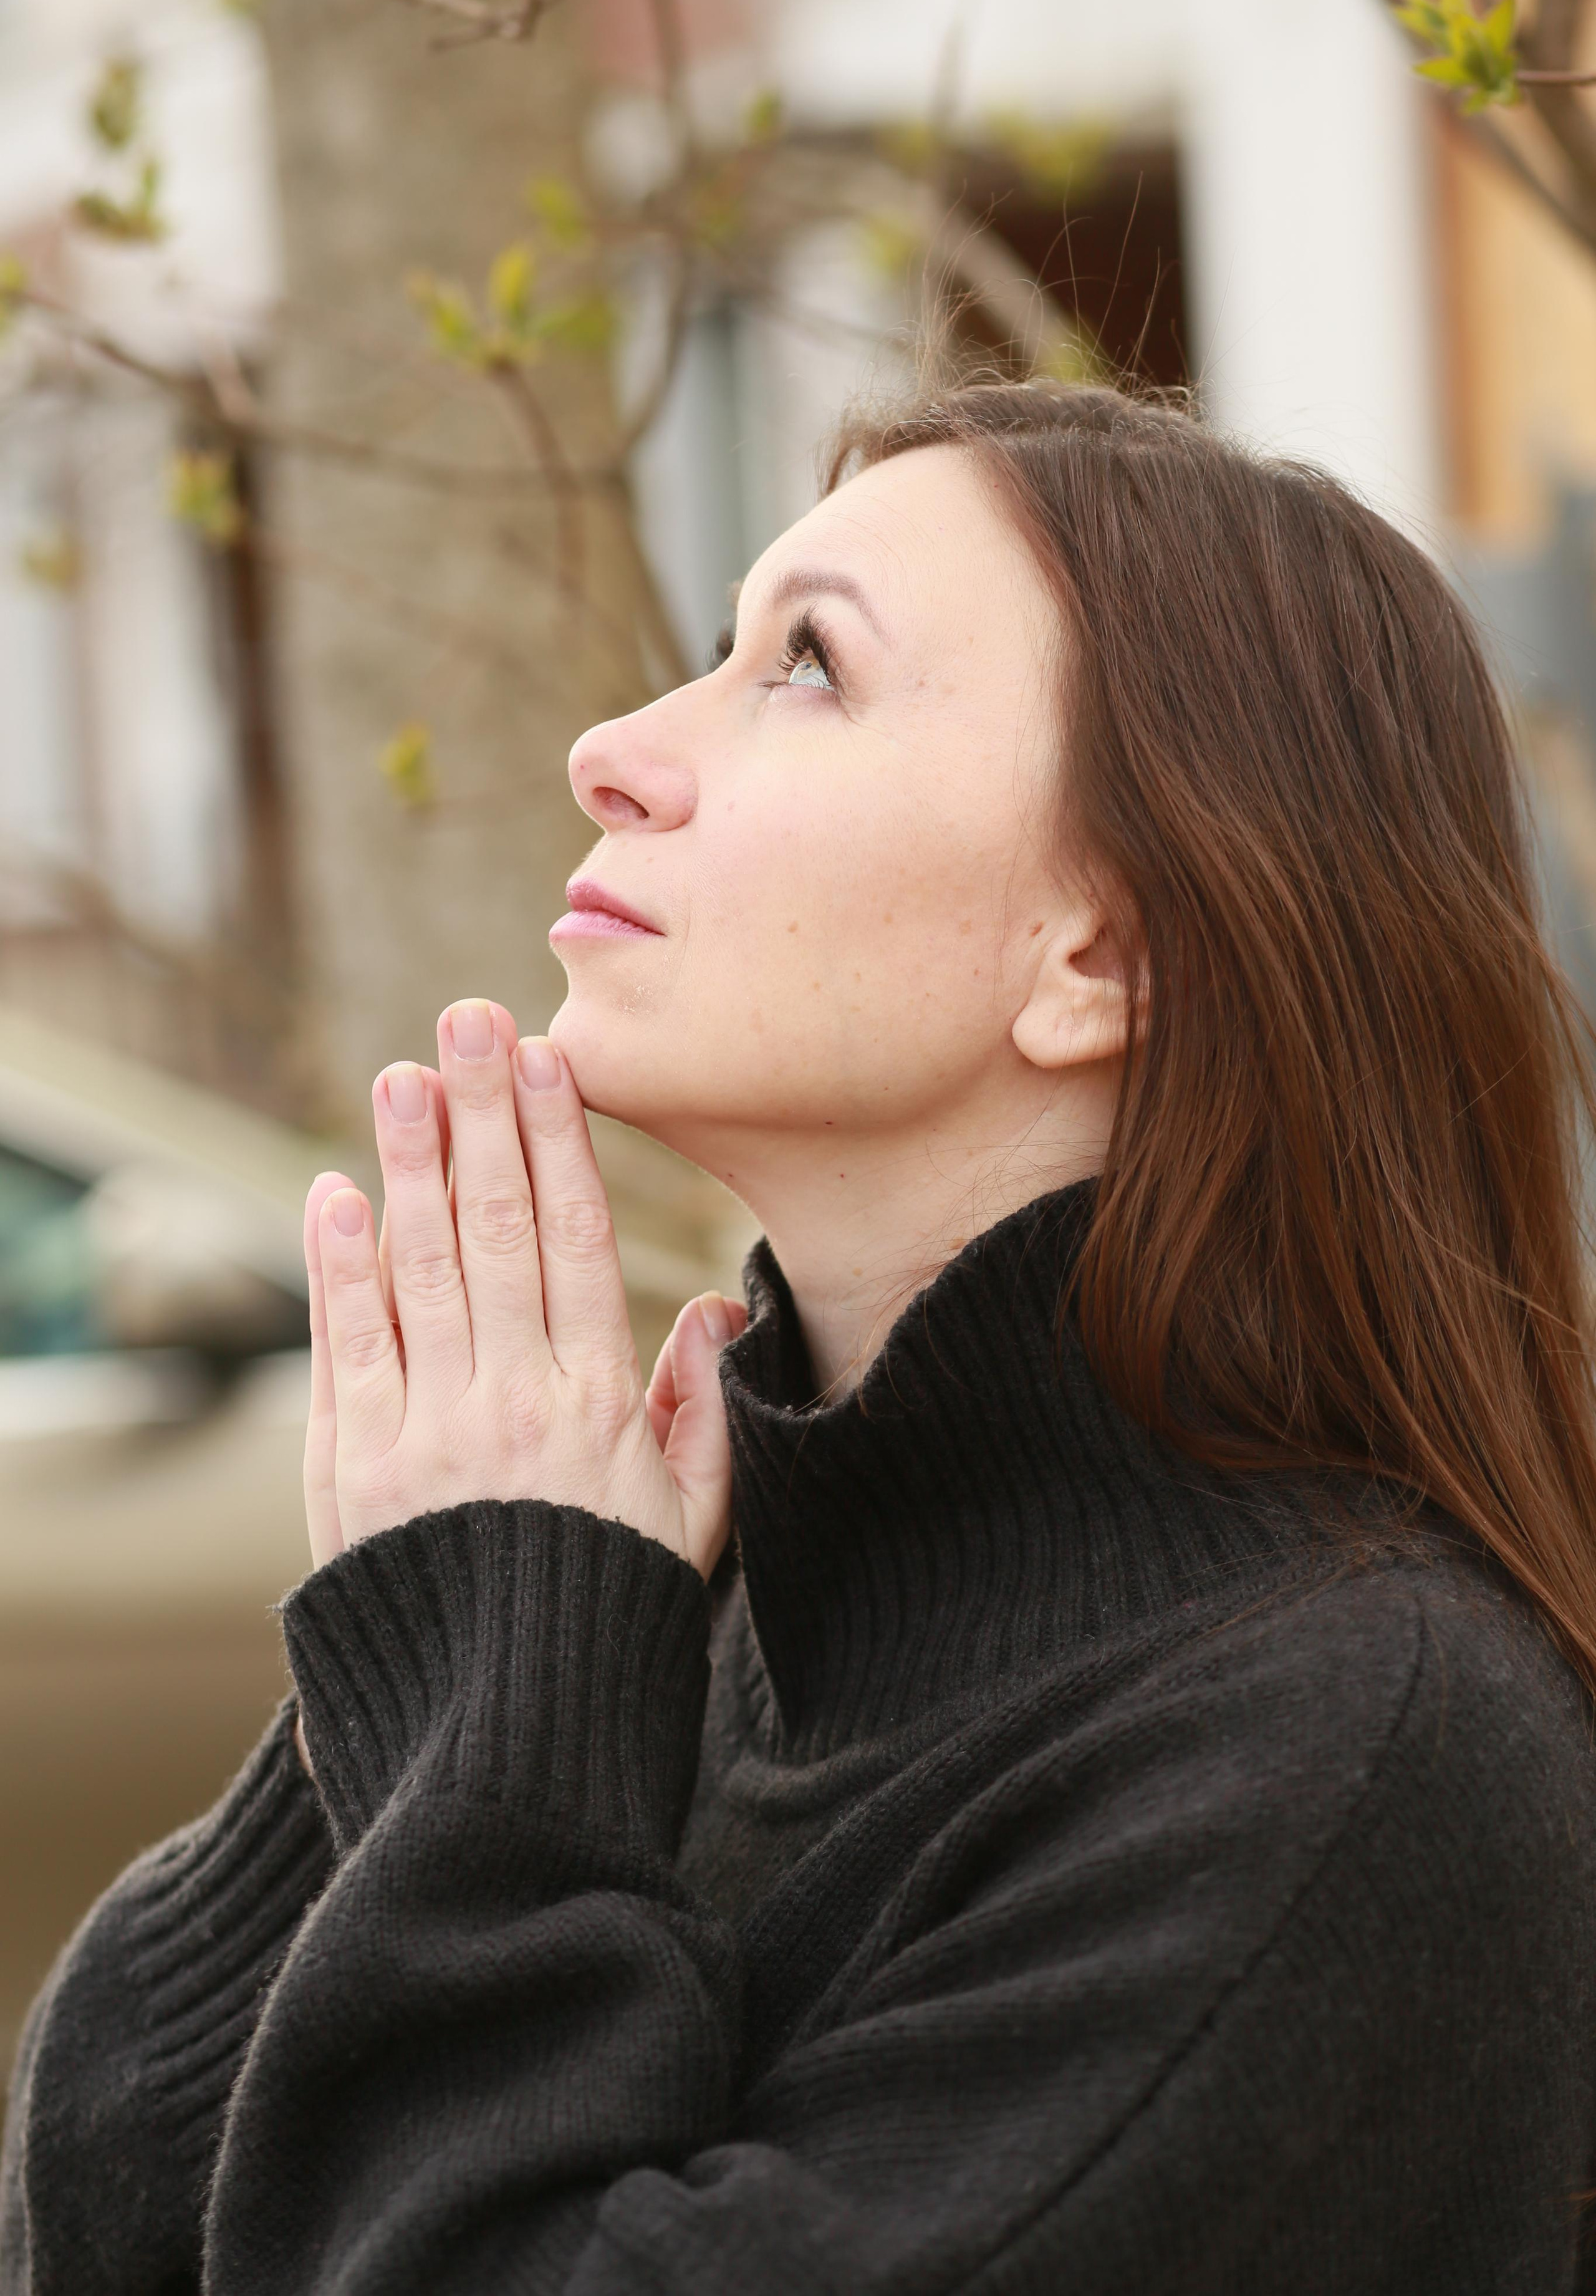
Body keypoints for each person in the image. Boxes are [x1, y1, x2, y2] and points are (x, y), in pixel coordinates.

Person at [6, 379, 1596, 2294]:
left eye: (810, 669)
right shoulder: (706, 1602)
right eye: (717, 654)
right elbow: (102, 2203)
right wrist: (450, 1670)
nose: (613, 752)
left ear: (1103, 956)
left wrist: (493, 1687)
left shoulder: (1345, 1761)